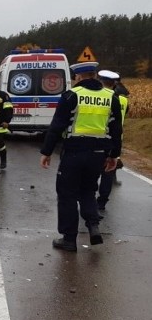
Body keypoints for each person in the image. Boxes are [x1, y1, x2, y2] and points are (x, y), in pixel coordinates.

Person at [40, 61, 122, 252]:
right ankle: (93, 225)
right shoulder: (111, 97)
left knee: (67, 194)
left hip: (74, 153)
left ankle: (69, 239)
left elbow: (57, 125)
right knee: (88, 190)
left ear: (78, 77)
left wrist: (46, 151)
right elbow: (116, 129)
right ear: (94, 75)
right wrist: (114, 155)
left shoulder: (72, 95)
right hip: (98, 154)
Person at [96, 69, 130, 215]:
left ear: (100, 81)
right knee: (108, 173)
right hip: (116, 139)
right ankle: (102, 202)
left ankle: (89, 199)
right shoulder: (123, 100)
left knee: (92, 172)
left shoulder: (98, 97)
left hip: (97, 139)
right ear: (115, 83)